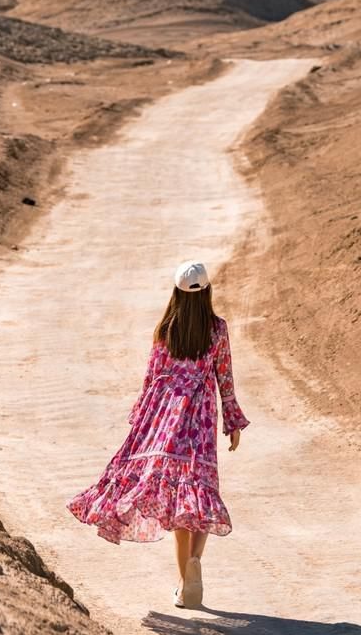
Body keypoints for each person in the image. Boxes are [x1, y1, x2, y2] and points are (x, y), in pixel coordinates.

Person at [65, 259, 250, 609]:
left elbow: (151, 380)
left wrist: (140, 424)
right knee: (200, 492)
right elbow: (224, 377)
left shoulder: (165, 330)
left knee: (177, 502)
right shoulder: (217, 330)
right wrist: (233, 420)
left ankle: (185, 583)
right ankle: (195, 560)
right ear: (207, 291)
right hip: (200, 421)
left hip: (165, 421)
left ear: (175, 295)